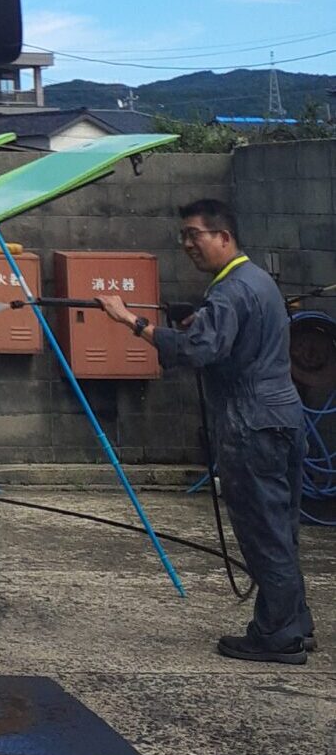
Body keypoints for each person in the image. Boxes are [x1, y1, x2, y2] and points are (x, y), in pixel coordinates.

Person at [98, 199, 314, 664]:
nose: (188, 244)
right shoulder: (257, 282)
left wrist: (131, 322)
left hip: (251, 422)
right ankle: (295, 622)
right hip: (283, 414)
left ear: (224, 237)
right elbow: (223, 337)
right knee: (282, 527)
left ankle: (277, 635)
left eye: (195, 234)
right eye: (184, 236)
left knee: (261, 531)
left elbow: (200, 350)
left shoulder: (231, 292)